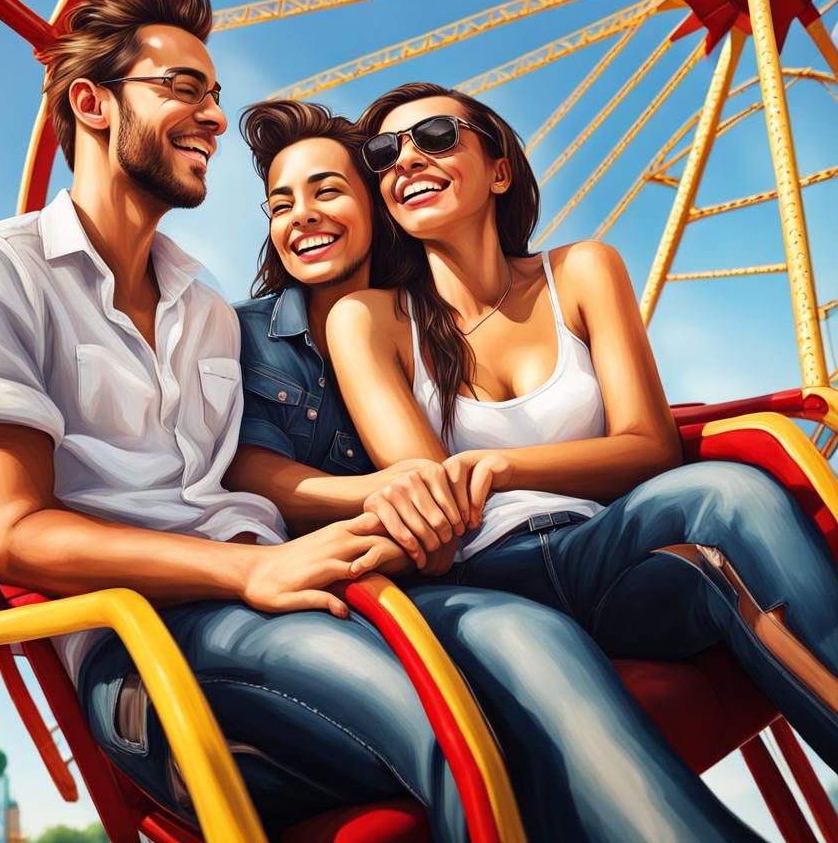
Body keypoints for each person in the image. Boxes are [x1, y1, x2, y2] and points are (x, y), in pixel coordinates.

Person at [0, 0, 467, 840]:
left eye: (214, 93)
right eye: (182, 88)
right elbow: (15, 532)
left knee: (501, 666)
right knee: (448, 727)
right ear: (93, 104)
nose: (213, 114)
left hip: (274, 593)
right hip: (149, 639)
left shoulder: (208, 308)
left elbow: (243, 474)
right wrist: (247, 569)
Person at [224, 98, 792, 841]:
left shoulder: (554, 277)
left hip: (582, 543)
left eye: (330, 189)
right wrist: (388, 492)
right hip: (437, 578)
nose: (303, 215)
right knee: (533, 634)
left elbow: (637, 447)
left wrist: (483, 468)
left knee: (732, 492)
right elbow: (259, 471)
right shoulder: (292, 330)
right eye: (280, 203)